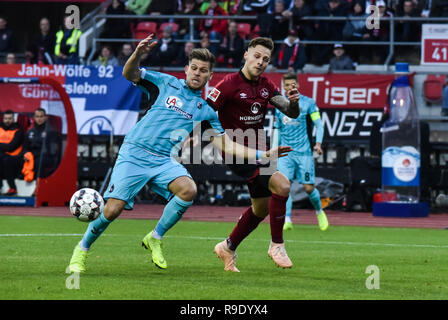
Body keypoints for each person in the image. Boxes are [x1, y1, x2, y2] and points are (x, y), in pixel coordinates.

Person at [67, 34, 290, 273]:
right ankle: (82, 249)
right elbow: (129, 74)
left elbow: (227, 146)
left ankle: (155, 236)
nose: (197, 73)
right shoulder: (165, 82)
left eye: (203, 71)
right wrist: (138, 53)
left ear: (209, 76)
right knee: (112, 210)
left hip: (163, 160)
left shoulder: (205, 111)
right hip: (135, 153)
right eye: (194, 68)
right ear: (186, 70)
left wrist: (262, 154)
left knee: (188, 190)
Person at [206, 37, 301, 272]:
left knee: (261, 208)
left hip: (262, 151)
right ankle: (277, 245)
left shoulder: (267, 86)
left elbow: (290, 111)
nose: (260, 62)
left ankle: (227, 247)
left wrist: (294, 103)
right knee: (283, 185)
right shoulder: (227, 85)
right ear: (246, 54)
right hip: (239, 153)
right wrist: (216, 139)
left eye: (266, 59)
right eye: (257, 56)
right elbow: (204, 114)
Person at [272, 73, 328, 231]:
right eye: (287, 85)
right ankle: (287, 219)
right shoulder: (279, 105)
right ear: (283, 86)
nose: (290, 87)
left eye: (293, 84)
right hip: (285, 153)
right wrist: (274, 149)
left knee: (309, 188)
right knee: (284, 186)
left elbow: (319, 124)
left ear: (298, 85)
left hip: (304, 152)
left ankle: (319, 212)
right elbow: (277, 129)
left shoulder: (308, 103)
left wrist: (318, 143)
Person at [22, 108, 61, 179]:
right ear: (34, 118)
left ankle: (37, 183)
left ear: (45, 117)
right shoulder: (30, 131)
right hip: (32, 155)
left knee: (38, 161)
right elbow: (25, 147)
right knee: (15, 160)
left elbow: (53, 151)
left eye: (41, 116)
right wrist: (25, 154)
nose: (39, 119)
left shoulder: (51, 131)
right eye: (37, 116)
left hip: (45, 156)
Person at [0, 110, 24, 196]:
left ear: (13, 119)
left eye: (10, 118)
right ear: (3, 119)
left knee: (6, 160)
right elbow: (7, 146)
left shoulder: (18, 131)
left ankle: (13, 187)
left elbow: (11, 147)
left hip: (14, 157)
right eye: (6, 118)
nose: (7, 120)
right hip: (2, 156)